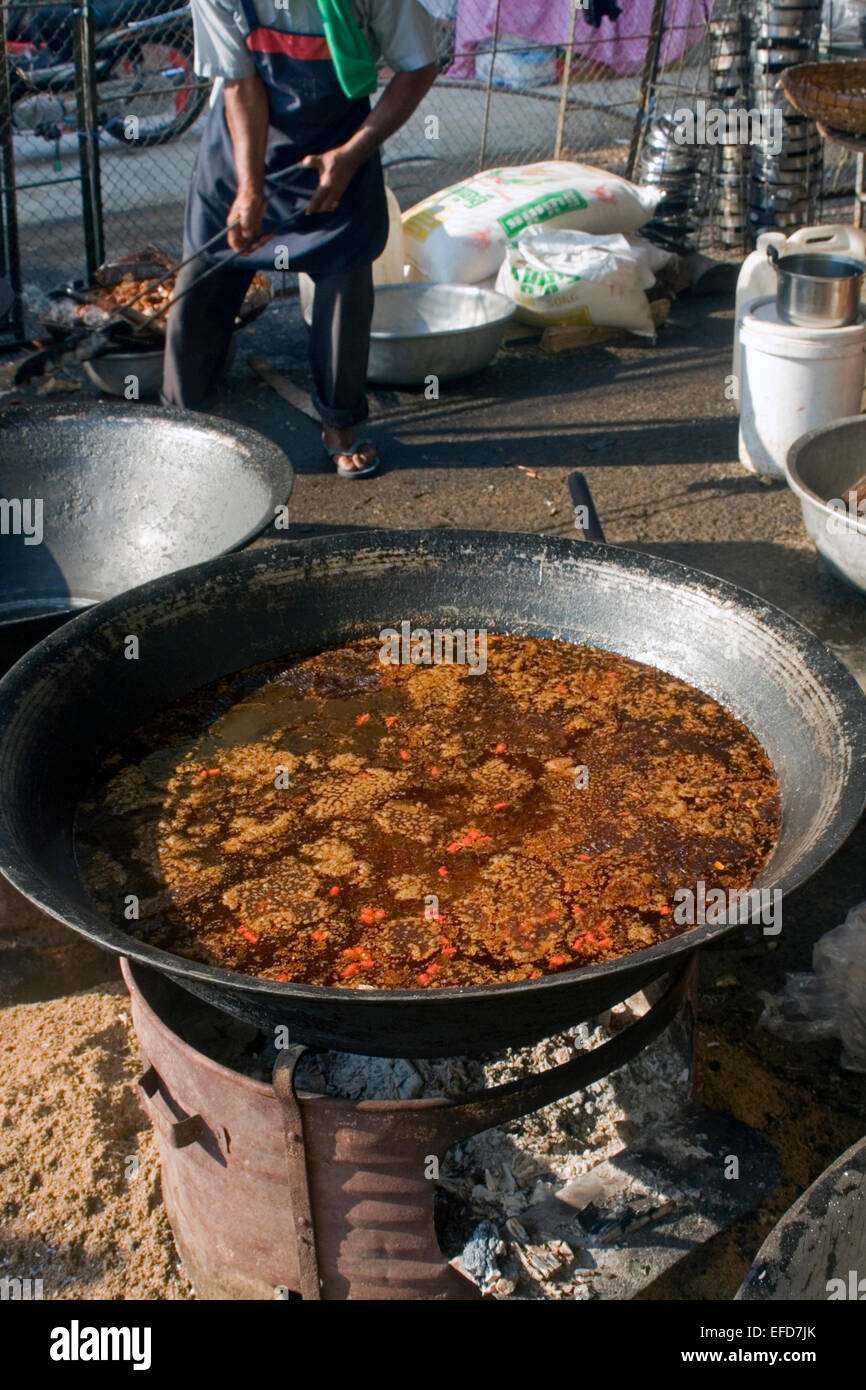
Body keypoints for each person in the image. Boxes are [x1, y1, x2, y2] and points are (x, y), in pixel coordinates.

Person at [161, 0, 438, 476]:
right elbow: (240, 81)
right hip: (239, 149)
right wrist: (250, 189)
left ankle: (340, 426)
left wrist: (352, 155)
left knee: (345, 283)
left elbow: (418, 66)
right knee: (200, 288)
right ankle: (179, 429)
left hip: (343, 144)